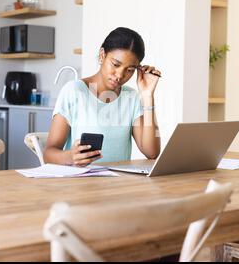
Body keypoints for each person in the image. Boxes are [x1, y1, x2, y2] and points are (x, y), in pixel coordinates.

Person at [44, 27, 161, 166]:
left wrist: (147, 95)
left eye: (129, 70)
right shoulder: (74, 91)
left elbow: (152, 152)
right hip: (81, 183)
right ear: (102, 55)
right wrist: (70, 157)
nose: (119, 75)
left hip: (118, 184)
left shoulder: (131, 97)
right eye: (115, 64)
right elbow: (48, 154)